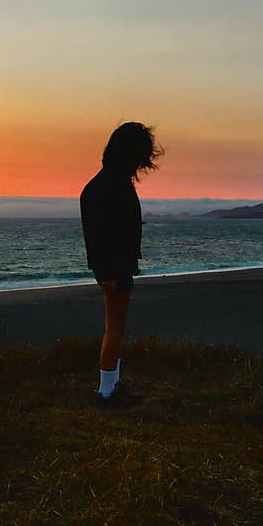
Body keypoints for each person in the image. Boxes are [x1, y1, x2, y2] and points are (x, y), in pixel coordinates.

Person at [79, 121, 163, 408]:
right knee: (114, 329)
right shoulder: (110, 187)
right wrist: (107, 271)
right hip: (115, 267)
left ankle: (111, 386)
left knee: (114, 328)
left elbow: (97, 233)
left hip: (114, 266)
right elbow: (99, 233)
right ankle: (106, 392)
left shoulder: (99, 185)